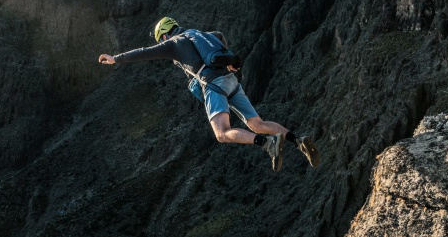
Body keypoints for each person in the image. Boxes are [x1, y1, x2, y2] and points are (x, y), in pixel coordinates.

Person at [98, 16, 319, 171]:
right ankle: (298, 141)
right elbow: (220, 36)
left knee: (222, 133)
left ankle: (268, 144)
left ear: (164, 35)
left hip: (213, 84)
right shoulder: (198, 34)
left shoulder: (172, 44)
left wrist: (116, 59)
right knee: (256, 122)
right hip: (231, 81)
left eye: (160, 40)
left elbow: (144, 53)